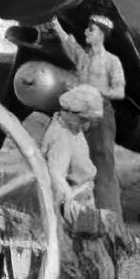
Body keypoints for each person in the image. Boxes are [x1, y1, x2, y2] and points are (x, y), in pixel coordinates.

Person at [48, 13, 127, 218]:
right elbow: (68, 44)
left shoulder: (112, 61)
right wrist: (55, 24)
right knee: (79, 165)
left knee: (103, 165)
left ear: (101, 34)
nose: (86, 32)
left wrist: (96, 92)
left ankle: (112, 219)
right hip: (80, 118)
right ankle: (80, 218)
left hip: (101, 117)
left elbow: (119, 91)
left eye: (91, 30)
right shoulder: (83, 57)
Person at [40, 85, 102, 220]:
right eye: (83, 119)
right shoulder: (61, 137)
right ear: (71, 113)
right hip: (73, 198)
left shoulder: (73, 129)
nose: (85, 124)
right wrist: (70, 204)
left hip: (84, 192)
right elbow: (56, 176)